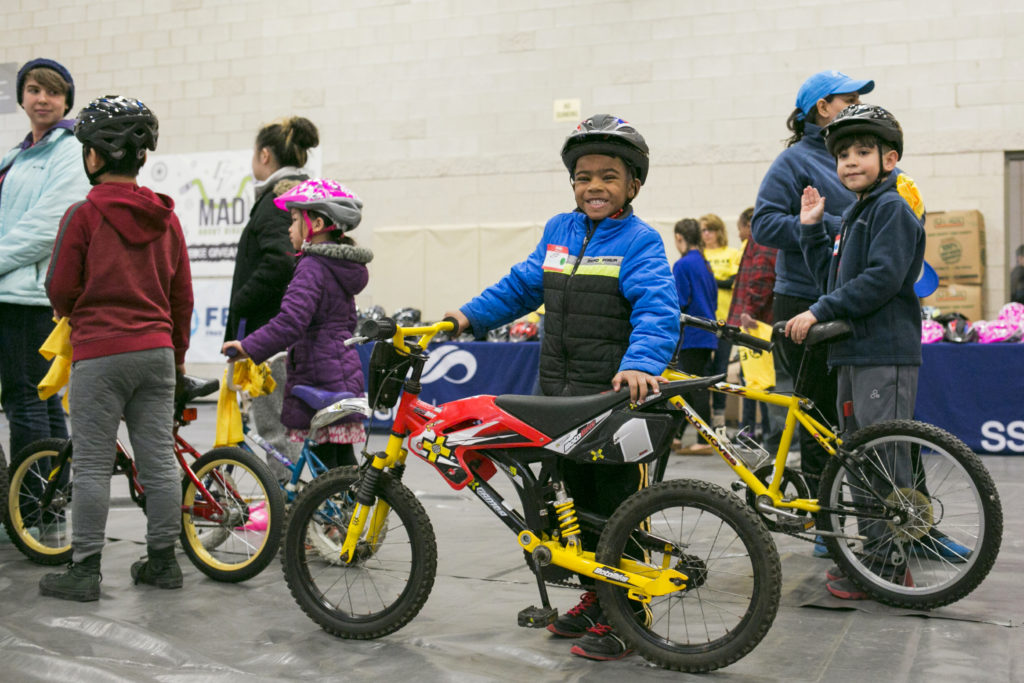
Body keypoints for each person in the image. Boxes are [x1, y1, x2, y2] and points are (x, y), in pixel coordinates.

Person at [444, 114, 679, 662]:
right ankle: (598, 597)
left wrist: (642, 362)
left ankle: (630, 616)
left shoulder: (640, 241)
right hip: (559, 398)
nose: (594, 186)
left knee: (616, 504)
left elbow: (657, 309)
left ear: (633, 185)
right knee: (574, 503)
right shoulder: (560, 230)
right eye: (583, 176)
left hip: (613, 398)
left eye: (608, 176)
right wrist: (466, 316)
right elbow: (522, 285)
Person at [39, 96, 193, 601]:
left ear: (94, 157)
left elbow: (60, 289)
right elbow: (181, 298)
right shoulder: (166, 220)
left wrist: (83, 312)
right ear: (142, 157)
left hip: (101, 353)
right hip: (156, 353)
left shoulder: (82, 216)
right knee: (159, 463)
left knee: (90, 465)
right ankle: (164, 561)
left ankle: (84, 571)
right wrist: (176, 356)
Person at [784, 104, 938, 599]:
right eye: (844, 154)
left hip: (883, 352)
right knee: (859, 456)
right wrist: (811, 227)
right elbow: (829, 277)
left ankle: (890, 565)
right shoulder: (857, 210)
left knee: (883, 458)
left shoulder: (891, 208)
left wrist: (819, 309)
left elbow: (881, 279)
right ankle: (874, 557)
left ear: (889, 158)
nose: (851, 161)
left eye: (864, 151)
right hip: (853, 352)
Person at [751, 69, 875, 504]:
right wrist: (835, 225)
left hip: (853, 298)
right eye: (850, 98)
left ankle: (896, 516)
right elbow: (764, 224)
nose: (857, 105)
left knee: (871, 417)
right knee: (819, 418)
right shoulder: (794, 162)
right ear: (823, 108)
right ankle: (826, 518)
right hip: (804, 299)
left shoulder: (859, 157)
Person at [222, 178, 371, 470]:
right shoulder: (341, 269)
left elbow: (291, 322)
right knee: (339, 464)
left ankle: (333, 515)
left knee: (327, 471)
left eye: (292, 220)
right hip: (342, 371)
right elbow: (346, 321)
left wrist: (247, 347)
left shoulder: (311, 267)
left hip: (319, 373)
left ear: (314, 225)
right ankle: (355, 512)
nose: (288, 229)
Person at [0, 58, 90, 465]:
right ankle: (51, 494)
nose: (42, 99)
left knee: (26, 397)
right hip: (12, 290)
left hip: (33, 297)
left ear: (66, 100)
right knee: (40, 395)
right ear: (21, 97)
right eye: (34, 90)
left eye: (53, 92)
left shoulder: (70, 150)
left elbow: (48, 226)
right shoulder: (16, 156)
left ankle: (29, 500)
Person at [225, 117, 319, 478]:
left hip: (270, 338)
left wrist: (241, 301)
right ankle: (296, 509)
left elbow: (281, 263)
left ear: (265, 154)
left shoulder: (277, 201)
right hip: (285, 335)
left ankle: (287, 512)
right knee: (286, 426)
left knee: (275, 429)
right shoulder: (299, 196)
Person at [726, 207, 778, 445]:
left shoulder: (760, 240)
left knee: (761, 383)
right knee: (755, 381)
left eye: (740, 229)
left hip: (757, 323)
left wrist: (749, 310)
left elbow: (761, 277)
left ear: (749, 224)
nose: (739, 234)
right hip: (756, 320)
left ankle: (767, 437)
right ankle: (758, 434)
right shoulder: (755, 242)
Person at [670, 217, 718, 454]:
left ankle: (703, 440)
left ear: (679, 237)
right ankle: (676, 437)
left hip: (692, 335)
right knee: (686, 388)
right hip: (706, 332)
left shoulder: (682, 265)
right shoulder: (704, 263)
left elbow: (680, 301)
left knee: (693, 387)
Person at [699, 212, 740, 428]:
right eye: (703, 230)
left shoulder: (731, 253)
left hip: (726, 320)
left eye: (710, 229)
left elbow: (733, 282)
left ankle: (720, 416)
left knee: (721, 368)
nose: (706, 234)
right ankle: (704, 417)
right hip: (704, 321)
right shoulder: (699, 255)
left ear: (718, 231)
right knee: (704, 370)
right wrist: (718, 281)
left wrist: (709, 280)